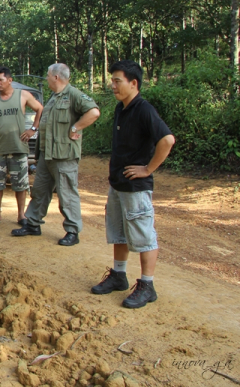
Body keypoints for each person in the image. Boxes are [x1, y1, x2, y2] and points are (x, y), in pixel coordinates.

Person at [91, 60, 174, 309]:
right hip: (118, 185)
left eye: (117, 80)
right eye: (112, 80)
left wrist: (148, 169)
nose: (112, 85)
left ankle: (147, 286)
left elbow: (167, 140)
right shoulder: (121, 108)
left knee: (144, 237)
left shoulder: (144, 109)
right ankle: (119, 276)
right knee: (119, 233)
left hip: (136, 188)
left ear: (133, 83)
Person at [11, 63, 100, 246]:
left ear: (56, 77)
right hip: (47, 156)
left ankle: (72, 231)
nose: (46, 78)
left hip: (64, 156)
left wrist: (76, 127)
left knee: (67, 195)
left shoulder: (73, 95)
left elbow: (94, 112)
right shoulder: (53, 97)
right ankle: (33, 224)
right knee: (40, 191)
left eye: (48, 75)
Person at [0, 66, 43, 230]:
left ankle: (21, 215)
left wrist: (33, 129)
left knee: (20, 184)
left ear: (10, 80)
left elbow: (40, 109)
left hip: (18, 148)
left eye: (1, 80)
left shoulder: (23, 96)